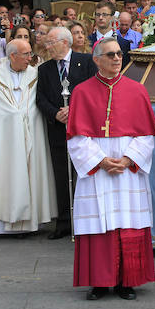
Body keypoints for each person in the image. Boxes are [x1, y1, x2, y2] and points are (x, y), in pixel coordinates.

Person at [67, 37, 155, 300]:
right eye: (110, 55)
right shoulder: (82, 92)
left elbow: (147, 135)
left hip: (128, 172)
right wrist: (101, 161)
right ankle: (99, 281)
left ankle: (126, 282)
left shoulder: (137, 90)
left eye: (119, 54)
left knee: (129, 223)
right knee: (98, 222)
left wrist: (129, 159)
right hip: (98, 170)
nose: (117, 58)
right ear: (97, 60)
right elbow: (76, 137)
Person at [0, 38, 57, 238]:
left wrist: (23, 117)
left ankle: (25, 224)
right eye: (25, 55)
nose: (30, 59)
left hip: (29, 135)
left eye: (30, 54)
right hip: (1, 140)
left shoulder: (35, 75)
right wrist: (13, 117)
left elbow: (36, 103)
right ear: (12, 56)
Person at [37, 26, 97, 239]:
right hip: (58, 131)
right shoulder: (44, 69)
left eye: (51, 43)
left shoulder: (87, 61)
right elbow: (40, 98)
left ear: (65, 42)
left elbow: (94, 91)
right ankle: (64, 223)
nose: (47, 47)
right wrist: (55, 113)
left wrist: (74, 109)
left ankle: (86, 221)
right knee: (62, 178)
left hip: (83, 129)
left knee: (84, 175)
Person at [88, 2, 132, 66]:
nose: (100, 17)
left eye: (104, 14)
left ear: (112, 17)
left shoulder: (123, 43)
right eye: (98, 14)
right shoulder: (87, 41)